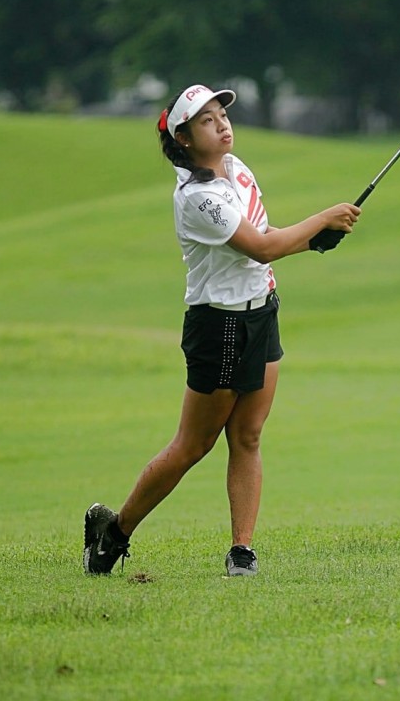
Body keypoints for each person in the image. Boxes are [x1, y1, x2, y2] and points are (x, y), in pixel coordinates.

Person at [83, 84, 361, 577]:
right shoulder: (198, 198)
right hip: (221, 325)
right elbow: (260, 246)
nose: (222, 124)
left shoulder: (237, 170)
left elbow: (268, 244)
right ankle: (115, 533)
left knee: (249, 437)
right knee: (193, 446)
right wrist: (322, 220)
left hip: (261, 314)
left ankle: (242, 551)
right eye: (207, 120)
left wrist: (314, 242)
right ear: (185, 138)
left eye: (221, 114)